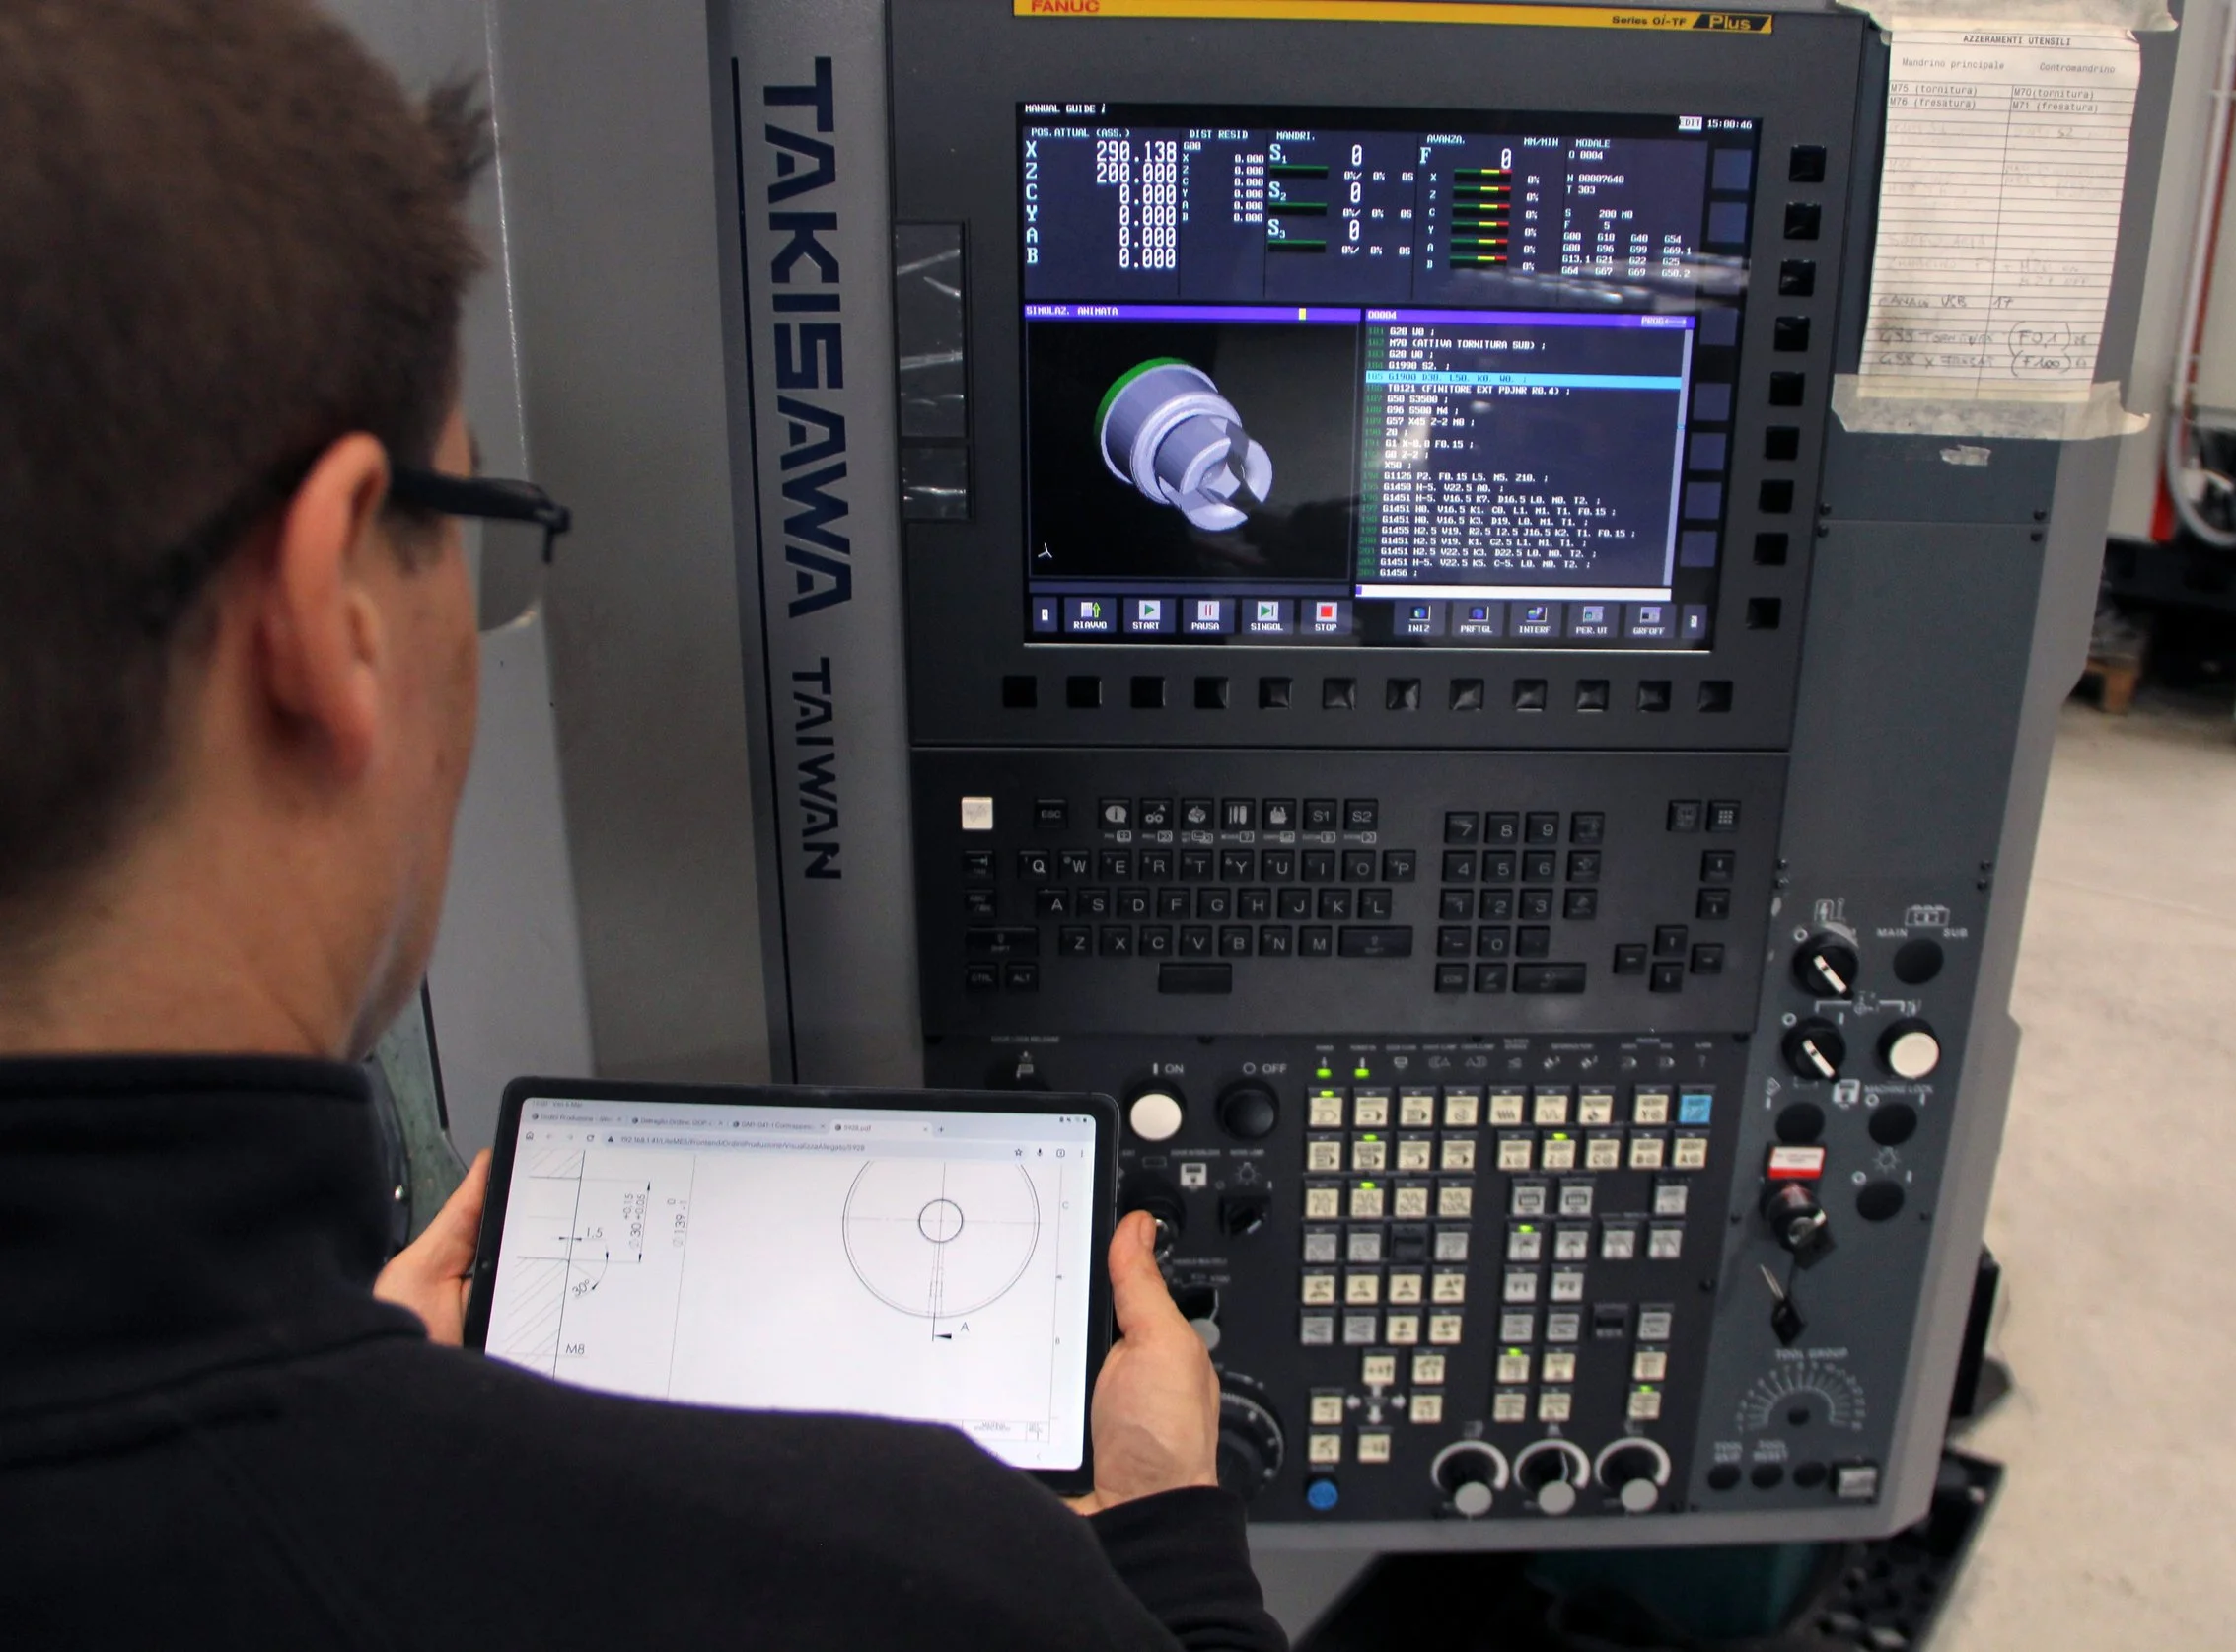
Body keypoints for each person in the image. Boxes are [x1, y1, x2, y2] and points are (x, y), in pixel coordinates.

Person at [0, 3, 1284, 1646]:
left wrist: (344, 1397)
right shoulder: (928, 1577)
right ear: (331, 609)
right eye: (472, 516)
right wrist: (1168, 1544)